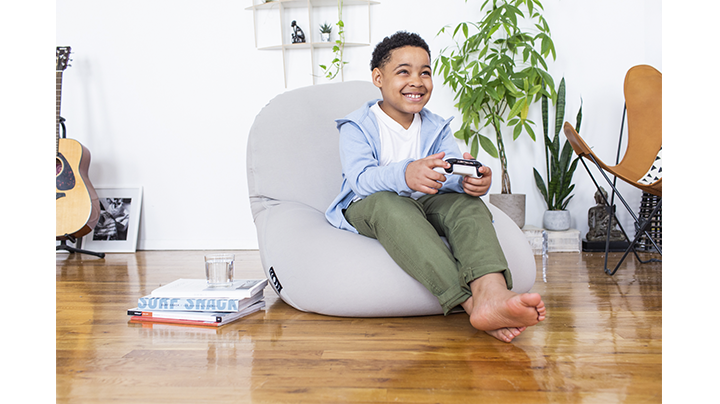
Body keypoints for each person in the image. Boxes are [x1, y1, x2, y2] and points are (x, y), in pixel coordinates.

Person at [325, 31, 545, 342]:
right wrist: (405, 174)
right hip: (371, 203)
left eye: (425, 72)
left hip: (427, 201)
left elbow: (451, 170)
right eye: (404, 71)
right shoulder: (357, 125)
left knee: (468, 206)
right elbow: (361, 178)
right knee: (393, 206)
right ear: (378, 77)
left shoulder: (436, 125)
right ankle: (471, 303)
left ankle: (493, 291)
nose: (417, 81)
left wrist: (470, 180)